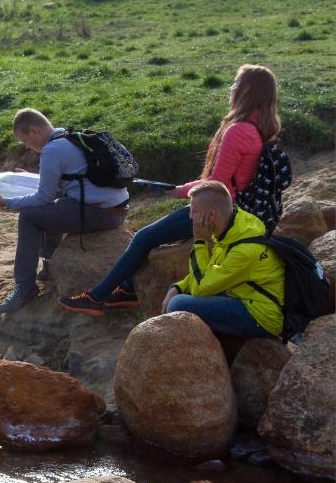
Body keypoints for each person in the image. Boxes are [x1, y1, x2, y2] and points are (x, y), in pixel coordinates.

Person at [59, 64, 281, 316]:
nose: (230, 88)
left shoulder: (237, 131)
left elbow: (217, 186)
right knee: (154, 234)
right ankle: (130, 287)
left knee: (144, 236)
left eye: (235, 83)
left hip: (219, 211)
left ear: (246, 90)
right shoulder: (258, 129)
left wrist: (180, 191)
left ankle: (97, 297)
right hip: (235, 209)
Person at [0, 108, 130, 313]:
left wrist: (5, 202)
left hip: (102, 213)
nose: (27, 147)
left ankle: (24, 287)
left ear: (33, 131)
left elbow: (44, 197)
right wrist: (32, 177)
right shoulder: (69, 137)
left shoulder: (51, 150)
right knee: (49, 210)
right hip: (118, 209)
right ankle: (49, 265)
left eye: (25, 142)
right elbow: (70, 182)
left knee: (30, 216)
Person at [162, 180, 284, 338]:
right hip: (243, 293)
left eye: (193, 211)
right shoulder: (234, 225)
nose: (190, 216)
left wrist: (200, 241)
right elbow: (213, 269)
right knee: (178, 297)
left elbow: (200, 289)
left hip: (262, 316)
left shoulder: (243, 250)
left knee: (178, 304)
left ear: (211, 215)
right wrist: (177, 287)